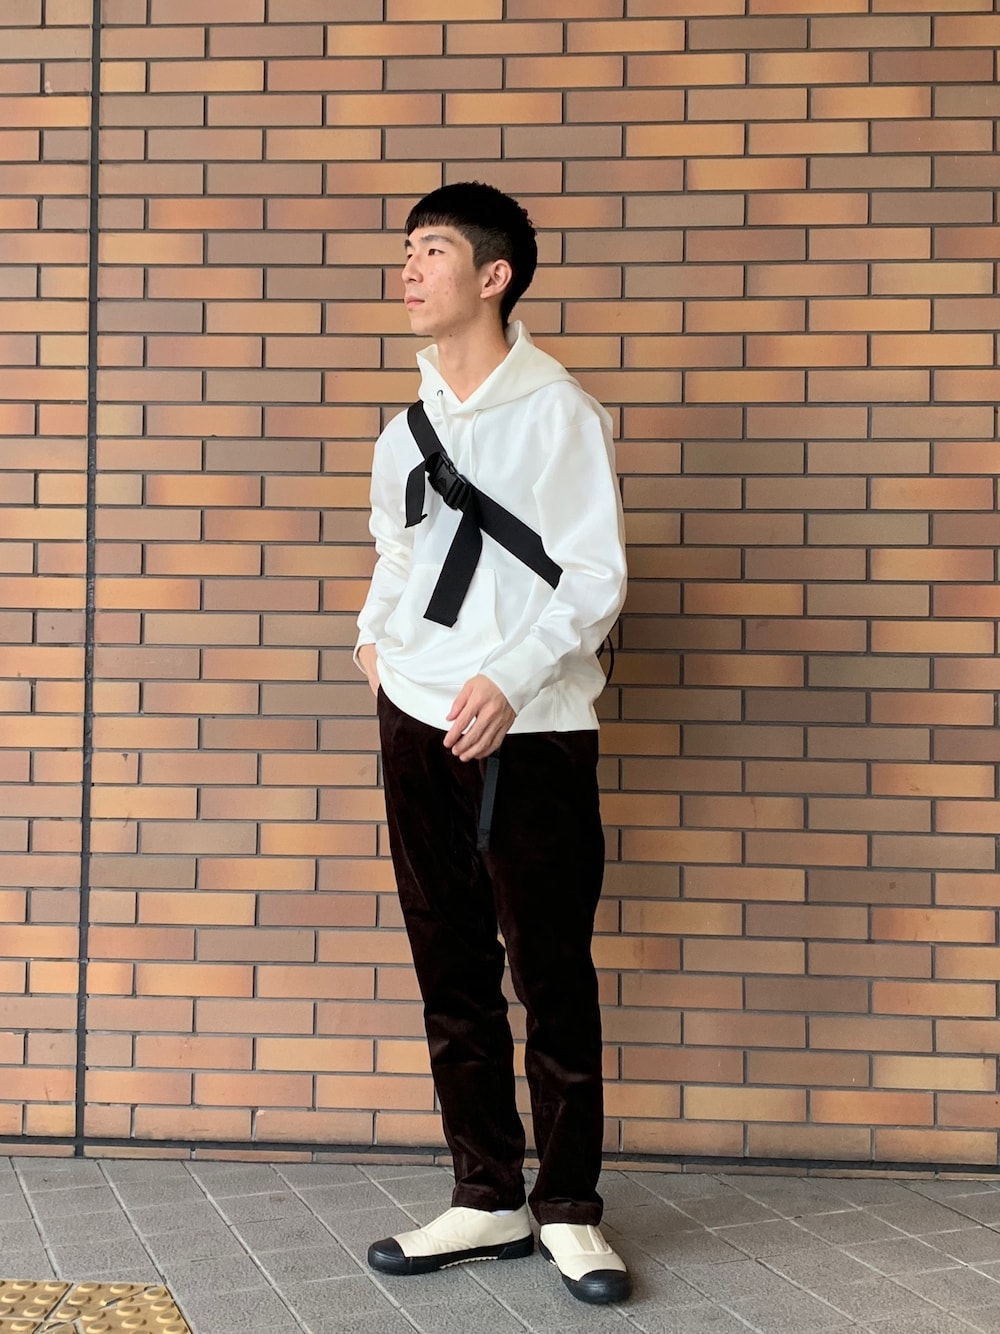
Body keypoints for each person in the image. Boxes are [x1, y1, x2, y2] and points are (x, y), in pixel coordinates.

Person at [354, 181, 629, 1306]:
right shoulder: (403, 430)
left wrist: (511, 679)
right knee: (449, 965)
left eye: (431, 250)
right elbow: (396, 553)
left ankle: (567, 1209)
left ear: (494, 274)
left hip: (536, 722)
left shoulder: (560, 413)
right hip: (414, 715)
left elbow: (595, 576)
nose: (410, 270)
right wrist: (374, 641)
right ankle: (485, 1193)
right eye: (408, 251)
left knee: (552, 970)